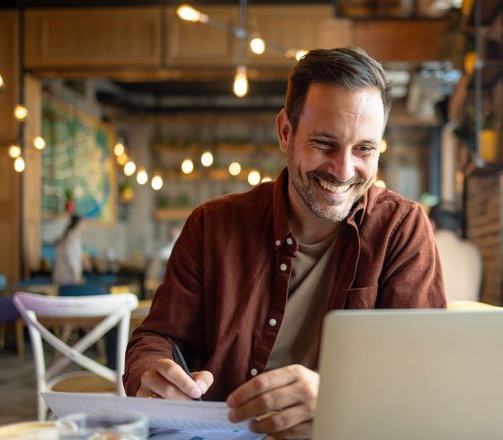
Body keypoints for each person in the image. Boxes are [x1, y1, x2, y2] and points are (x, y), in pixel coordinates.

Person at [124, 47, 446, 439]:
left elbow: (420, 376)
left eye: (364, 149)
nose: (344, 171)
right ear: (285, 132)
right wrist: (153, 372)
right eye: (324, 144)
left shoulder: (401, 229)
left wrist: (337, 401)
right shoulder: (212, 225)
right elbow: (159, 336)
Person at [428, 203, 482, 302]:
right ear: (459, 227)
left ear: (431, 224)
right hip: (470, 316)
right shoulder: (473, 251)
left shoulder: (424, 249)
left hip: (433, 316)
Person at [52, 214, 84, 285]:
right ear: (78, 224)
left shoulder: (70, 235)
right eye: (83, 223)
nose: (85, 226)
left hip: (63, 276)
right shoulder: (72, 237)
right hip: (67, 278)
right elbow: (71, 257)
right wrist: (75, 275)